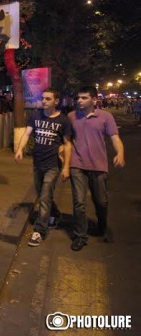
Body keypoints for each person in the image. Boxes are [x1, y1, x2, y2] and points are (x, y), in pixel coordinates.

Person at [68, 86, 125, 251]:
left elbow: (115, 138)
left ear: (94, 100)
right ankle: (80, 235)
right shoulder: (72, 116)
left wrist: (120, 153)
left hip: (98, 165)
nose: (80, 100)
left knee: (101, 201)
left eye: (84, 98)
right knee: (79, 202)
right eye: (78, 97)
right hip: (77, 164)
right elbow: (67, 139)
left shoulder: (105, 117)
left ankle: (102, 224)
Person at [14, 88, 72, 247]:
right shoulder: (36, 116)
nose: (44, 101)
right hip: (37, 163)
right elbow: (27, 134)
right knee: (42, 194)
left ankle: (39, 231)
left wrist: (66, 166)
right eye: (43, 98)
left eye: (48, 99)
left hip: (53, 165)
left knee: (45, 196)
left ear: (56, 101)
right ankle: (55, 214)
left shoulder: (63, 121)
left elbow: (67, 144)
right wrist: (20, 149)